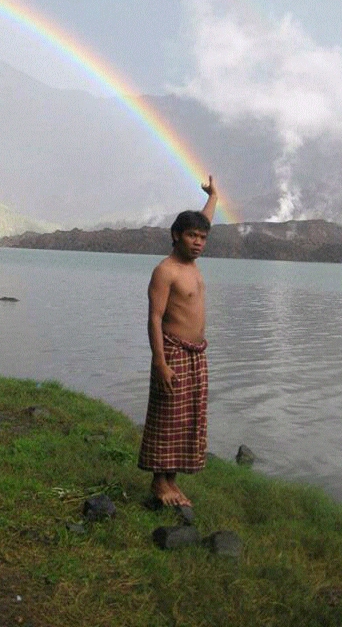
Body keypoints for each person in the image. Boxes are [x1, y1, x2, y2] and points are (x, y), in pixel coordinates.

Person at [138, 176, 218, 507]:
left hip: (197, 354)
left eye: (202, 237)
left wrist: (213, 197)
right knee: (167, 414)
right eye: (191, 235)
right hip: (171, 351)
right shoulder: (165, 271)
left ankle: (172, 480)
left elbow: (205, 221)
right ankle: (159, 482)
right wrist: (160, 362)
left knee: (188, 418)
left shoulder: (193, 263)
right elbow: (155, 317)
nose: (198, 242)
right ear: (176, 236)